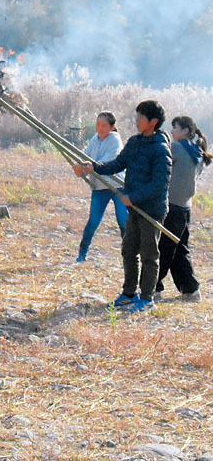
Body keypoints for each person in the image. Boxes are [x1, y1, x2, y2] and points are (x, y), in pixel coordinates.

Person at [76, 99, 172, 312]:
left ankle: (147, 298)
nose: (136, 120)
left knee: (149, 254)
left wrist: (134, 197)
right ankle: (129, 293)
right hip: (134, 208)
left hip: (151, 210)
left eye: (140, 117)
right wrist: (95, 167)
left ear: (153, 122)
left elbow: (160, 183)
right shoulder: (135, 142)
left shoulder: (160, 148)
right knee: (128, 250)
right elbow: (118, 164)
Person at [154, 116, 212, 302]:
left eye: (175, 128)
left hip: (172, 206)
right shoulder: (198, 152)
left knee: (163, 248)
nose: (172, 132)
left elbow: (158, 162)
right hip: (186, 208)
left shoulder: (177, 148)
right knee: (179, 249)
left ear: (186, 131)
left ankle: (153, 288)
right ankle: (191, 290)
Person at [73, 112, 128, 262]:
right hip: (99, 187)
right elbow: (85, 158)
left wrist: (90, 167)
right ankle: (81, 254)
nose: (100, 128)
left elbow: (109, 161)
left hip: (117, 185)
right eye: (98, 124)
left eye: (104, 125)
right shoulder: (94, 140)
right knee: (93, 221)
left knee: (123, 221)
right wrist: (79, 167)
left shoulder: (115, 140)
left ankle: (128, 255)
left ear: (112, 127)